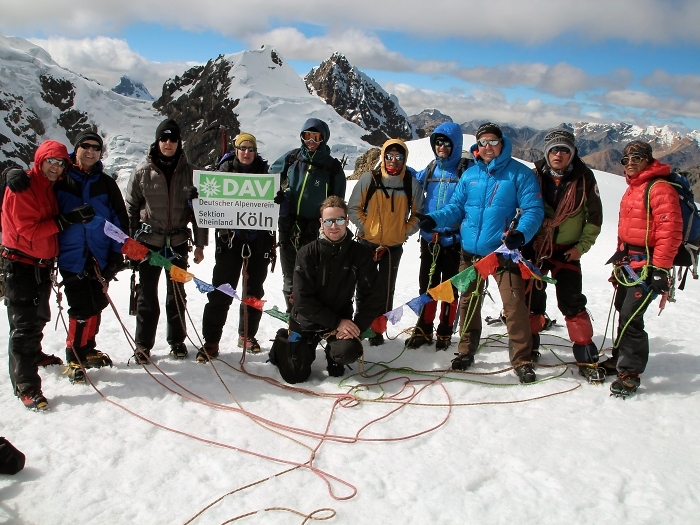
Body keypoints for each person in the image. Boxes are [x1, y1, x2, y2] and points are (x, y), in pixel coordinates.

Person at [416, 122, 544, 383]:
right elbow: (456, 208)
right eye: (483, 142)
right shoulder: (470, 175)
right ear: (477, 145)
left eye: (493, 142)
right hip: (470, 253)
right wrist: (433, 219)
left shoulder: (519, 174)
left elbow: (533, 210)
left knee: (514, 304)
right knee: (468, 303)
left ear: (502, 143)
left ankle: (522, 359)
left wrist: (521, 234)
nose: (488, 147)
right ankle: (465, 351)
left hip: (503, 253)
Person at [2, 140, 95, 410]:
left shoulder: (48, 187)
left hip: (40, 264)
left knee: (38, 315)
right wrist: (67, 221)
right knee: (23, 325)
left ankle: (34, 354)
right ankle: (26, 386)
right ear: (39, 161)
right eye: (50, 162)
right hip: (20, 265)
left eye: (59, 163)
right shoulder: (22, 186)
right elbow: (28, 230)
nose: (55, 167)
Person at [272, 196, 383, 382]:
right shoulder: (306, 253)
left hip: (341, 320)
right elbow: (302, 300)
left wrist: (356, 326)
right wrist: (337, 322)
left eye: (339, 220)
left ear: (347, 221)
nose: (334, 226)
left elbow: (374, 295)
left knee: (347, 352)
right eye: (329, 221)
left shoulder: (360, 254)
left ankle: (334, 355)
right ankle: (284, 341)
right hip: (305, 321)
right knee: (294, 374)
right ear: (321, 222)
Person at [523, 127, 604, 382]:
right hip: (537, 247)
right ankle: (530, 345)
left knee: (572, 301)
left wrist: (580, 248)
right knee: (532, 299)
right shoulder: (534, 176)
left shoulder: (585, 178)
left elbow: (595, 219)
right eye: (554, 149)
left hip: (567, 251)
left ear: (572, 153)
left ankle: (585, 353)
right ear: (547, 153)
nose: (559, 154)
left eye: (564, 149)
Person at [126, 118, 208, 363]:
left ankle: (177, 341)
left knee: (177, 294)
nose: (168, 143)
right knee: (147, 295)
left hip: (179, 243)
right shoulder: (142, 172)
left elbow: (200, 212)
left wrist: (201, 244)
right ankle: (143, 345)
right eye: (164, 138)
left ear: (179, 142)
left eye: (173, 139)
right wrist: (131, 244)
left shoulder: (192, 173)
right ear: (157, 141)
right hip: (148, 243)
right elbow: (131, 207)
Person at [604, 140, 682, 397]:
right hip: (629, 263)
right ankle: (620, 358)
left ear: (648, 159)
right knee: (622, 310)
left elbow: (669, 232)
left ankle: (630, 373)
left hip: (647, 265)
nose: (630, 163)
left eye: (637, 158)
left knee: (630, 316)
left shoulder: (659, 189)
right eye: (626, 159)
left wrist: (660, 268)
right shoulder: (634, 188)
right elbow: (626, 231)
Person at [53, 130, 129, 382]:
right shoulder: (60, 180)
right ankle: (74, 355)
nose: (90, 151)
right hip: (70, 254)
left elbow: (120, 220)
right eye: (85, 146)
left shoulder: (106, 183)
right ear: (76, 149)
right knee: (81, 305)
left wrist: (117, 255)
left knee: (97, 301)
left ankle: (87, 348)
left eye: (96, 147)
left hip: (100, 254)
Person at [197, 133, 275, 360]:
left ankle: (247, 335)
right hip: (229, 242)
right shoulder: (223, 174)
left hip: (258, 243)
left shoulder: (265, 175)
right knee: (221, 291)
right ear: (236, 149)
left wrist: (281, 200)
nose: (247, 152)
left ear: (256, 151)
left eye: (251, 148)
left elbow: (281, 210)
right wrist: (194, 199)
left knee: (254, 293)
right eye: (243, 148)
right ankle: (211, 341)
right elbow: (205, 206)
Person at [348, 138, 424, 346]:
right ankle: (361, 327)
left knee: (386, 289)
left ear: (404, 159)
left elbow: (419, 214)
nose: (393, 161)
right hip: (366, 244)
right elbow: (354, 208)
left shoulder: (410, 184)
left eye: (399, 157)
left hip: (393, 247)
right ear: (383, 156)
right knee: (364, 287)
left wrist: (402, 232)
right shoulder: (369, 179)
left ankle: (378, 330)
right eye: (389, 156)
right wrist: (366, 228)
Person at [271, 118, 346, 313]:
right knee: (289, 276)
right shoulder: (292, 159)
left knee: (314, 275)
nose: (311, 141)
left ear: (324, 138)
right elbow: (269, 179)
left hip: (316, 230)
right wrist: (279, 194)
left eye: (316, 136)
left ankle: (311, 319)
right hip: (288, 226)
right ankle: (293, 318)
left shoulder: (332, 168)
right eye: (307, 136)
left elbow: (338, 203)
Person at [405, 122, 468, 350]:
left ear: (455, 144)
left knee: (449, 289)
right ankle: (423, 329)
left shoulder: (464, 171)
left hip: (454, 241)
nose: (441, 146)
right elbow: (416, 176)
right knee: (427, 287)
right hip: (430, 240)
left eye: (446, 142)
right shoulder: (432, 169)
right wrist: (399, 164)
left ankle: (444, 332)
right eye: (438, 142)